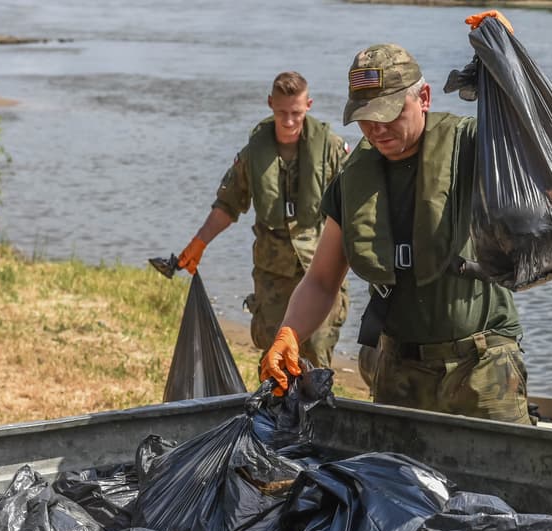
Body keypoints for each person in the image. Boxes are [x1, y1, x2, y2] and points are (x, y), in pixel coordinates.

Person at [259, 33, 533, 425]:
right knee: (396, 484)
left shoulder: (471, 147)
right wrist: (288, 334)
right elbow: (321, 281)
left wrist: (508, 64)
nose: (376, 129)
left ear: (423, 99)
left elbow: (533, 141)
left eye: (389, 114)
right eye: (365, 118)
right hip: (399, 370)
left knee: (501, 478)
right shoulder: (353, 180)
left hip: (482, 368)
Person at [177, 71, 350, 369]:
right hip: (272, 279)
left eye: (296, 113)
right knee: (274, 364)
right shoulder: (253, 153)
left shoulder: (332, 149)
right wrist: (198, 244)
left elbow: (357, 208)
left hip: (320, 272)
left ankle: (317, 415)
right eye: (282, 112)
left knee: (317, 362)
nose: (289, 121)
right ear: (270, 104)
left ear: (308, 105)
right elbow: (228, 205)